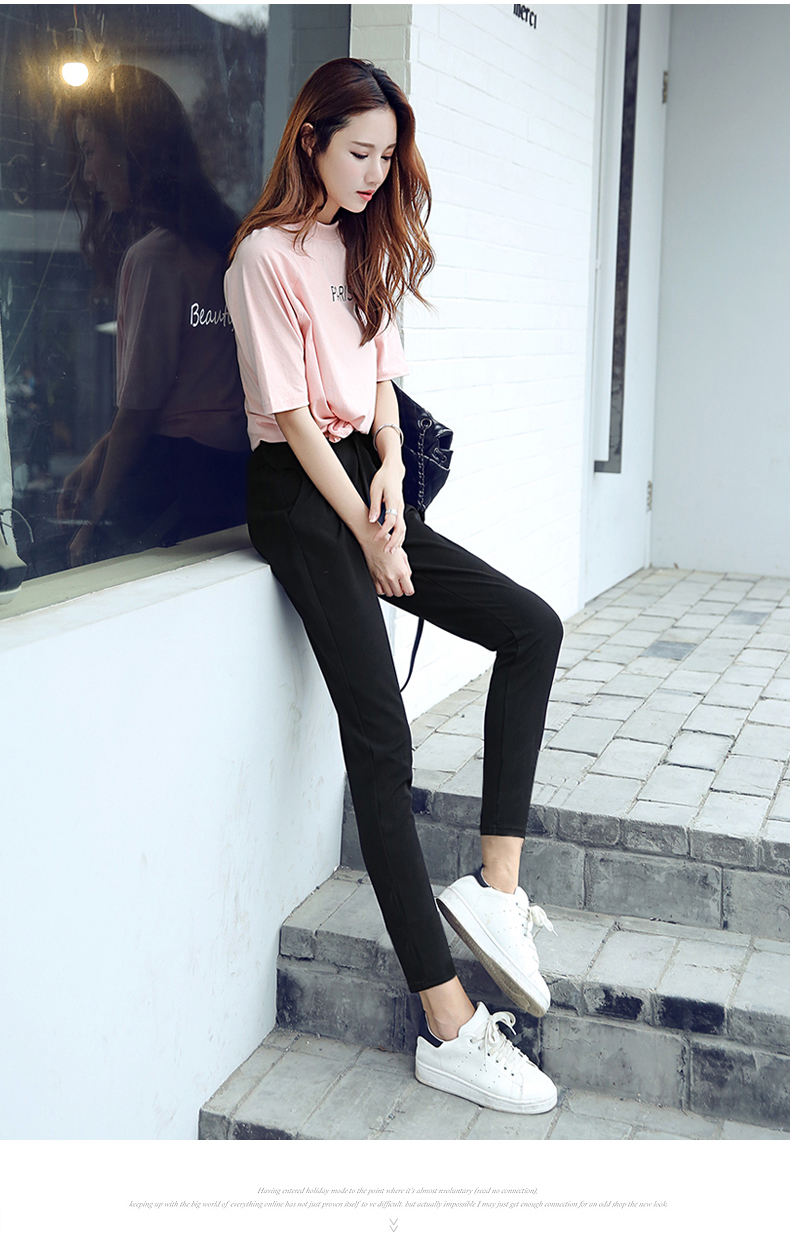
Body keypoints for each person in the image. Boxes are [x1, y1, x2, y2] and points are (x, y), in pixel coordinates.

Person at [224, 58, 564, 1116]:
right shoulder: (263, 257)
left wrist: (390, 471)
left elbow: (378, 377)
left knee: (530, 625)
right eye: (359, 152)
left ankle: (494, 890)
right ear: (311, 139)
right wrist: (367, 539)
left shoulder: (357, 241)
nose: (375, 174)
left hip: (360, 475)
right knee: (382, 739)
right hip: (296, 492)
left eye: (387, 156)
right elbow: (290, 419)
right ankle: (447, 1022)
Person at [58, 65, 249, 566]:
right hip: (235, 481)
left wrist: (93, 523)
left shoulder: (155, 259)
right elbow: (193, 392)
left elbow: (140, 410)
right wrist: (100, 453)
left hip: (174, 486)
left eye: (90, 150)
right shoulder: (228, 241)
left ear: (131, 149)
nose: (88, 174)